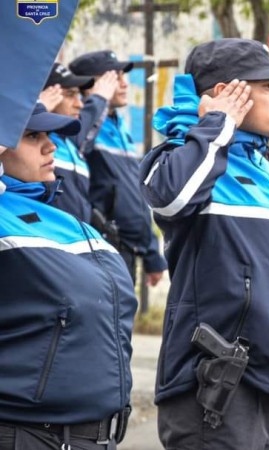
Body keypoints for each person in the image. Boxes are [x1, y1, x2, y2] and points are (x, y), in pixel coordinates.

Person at [139, 38, 269, 450]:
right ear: (226, 94)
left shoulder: (265, 169)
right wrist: (216, 125)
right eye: (267, 87)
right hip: (215, 386)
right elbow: (170, 198)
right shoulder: (181, 154)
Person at [0, 103, 137, 450]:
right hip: (27, 433)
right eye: (33, 136)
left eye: (49, 135)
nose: (51, 146)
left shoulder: (69, 221)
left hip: (94, 434)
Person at [69, 50, 166, 286]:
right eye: (114, 77)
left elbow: (133, 197)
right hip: (100, 248)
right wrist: (97, 100)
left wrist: (152, 254)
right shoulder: (82, 123)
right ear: (91, 85)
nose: (124, 84)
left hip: (126, 252)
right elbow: (78, 141)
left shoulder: (119, 125)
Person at [39, 62, 118, 222]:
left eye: (79, 95)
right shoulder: (29, 145)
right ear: (47, 95)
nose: (79, 103)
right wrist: (38, 109)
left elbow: (88, 118)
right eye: (70, 94)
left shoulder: (71, 142)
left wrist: (100, 97)